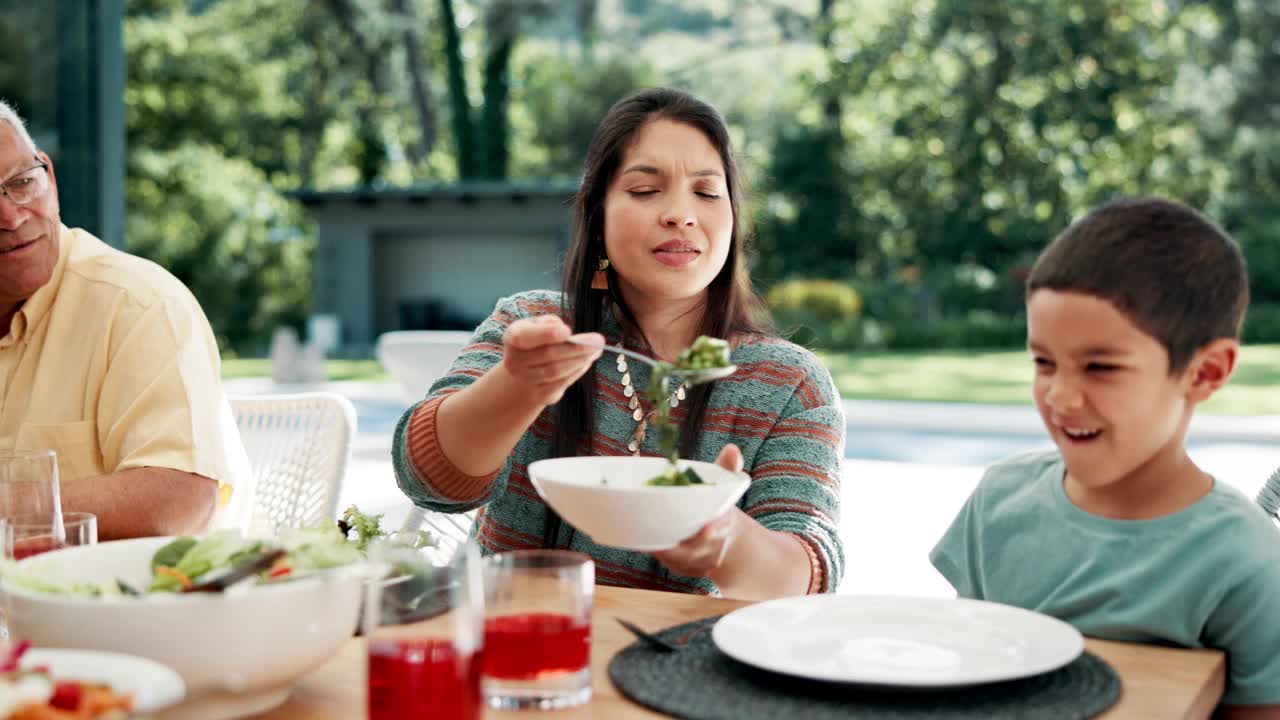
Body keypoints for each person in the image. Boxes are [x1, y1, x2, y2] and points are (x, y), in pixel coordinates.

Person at [392, 88, 844, 600]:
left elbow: (805, 577)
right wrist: (518, 386)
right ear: (598, 215)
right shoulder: (531, 323)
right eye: (646, 190)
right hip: (515, 642)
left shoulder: (789, 384)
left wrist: (725, 542)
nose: (680, 213)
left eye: (707, 192)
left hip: (684, 666)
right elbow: (427, 481)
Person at [931, 198, 1280, 716]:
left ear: (1204, 374)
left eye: (1100, 367)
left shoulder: (1248, 561)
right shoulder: (997, 501)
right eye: (1044, 362)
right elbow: (969, 677)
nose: (1061, 397)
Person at [0, 99, 244, 539]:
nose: (12, 216)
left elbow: (179, 503)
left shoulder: (141, 305)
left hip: (130, 599)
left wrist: (14, 506)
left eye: (21, 183)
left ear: (49, 178)